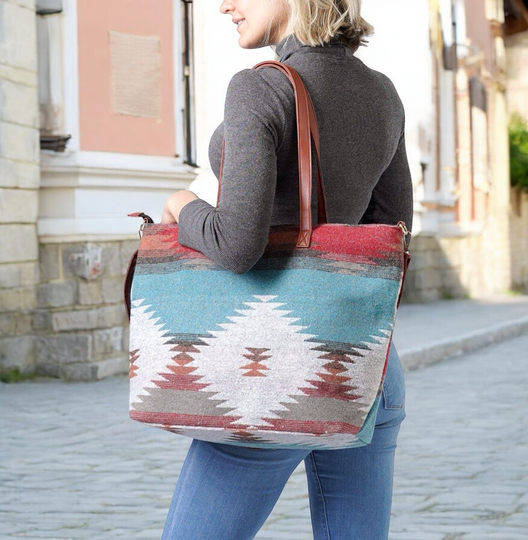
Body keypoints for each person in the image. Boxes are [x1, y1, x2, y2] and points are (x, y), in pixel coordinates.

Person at [159, 1, 413, 538]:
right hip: (365, 367)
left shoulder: (261, 87)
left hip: (270, 369)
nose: (224, 4)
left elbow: (237, 246)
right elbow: (390, 236)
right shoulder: (383, 93)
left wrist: (183, 206)